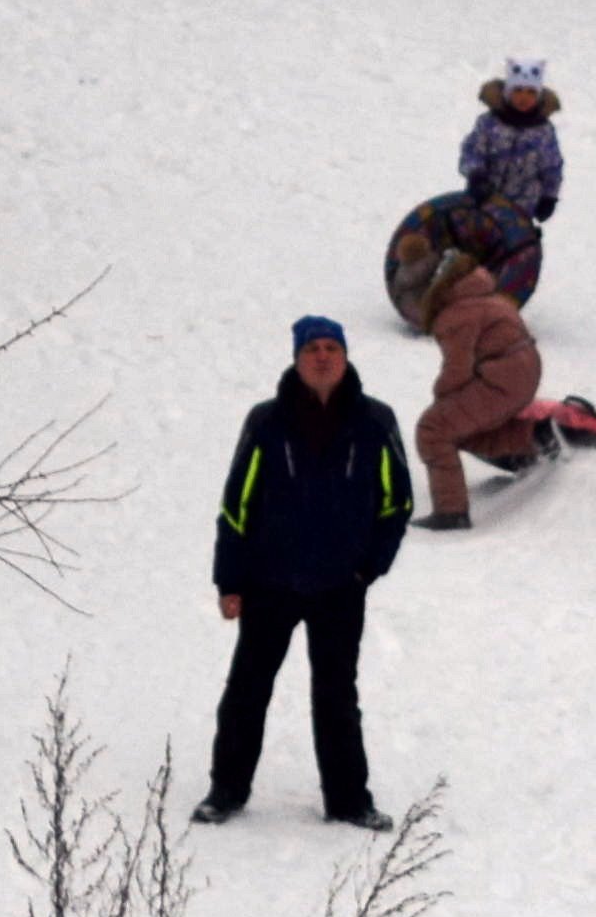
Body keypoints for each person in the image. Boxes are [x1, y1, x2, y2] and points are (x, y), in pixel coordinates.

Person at [204, 318, 413, 826]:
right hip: (269, 584)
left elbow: (397, 501)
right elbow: (237, 505)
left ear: (344, 356)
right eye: (313, 349)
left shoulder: (375, 421)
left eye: (331, 348)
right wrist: (230, 581)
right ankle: (225, 792)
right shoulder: (266, 422)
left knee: (337, 696)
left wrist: (369, 567)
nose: (322, 357)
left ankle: (348, 802)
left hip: (341, 587)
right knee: (247, 691)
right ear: (297, 359)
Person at [412, 247, 556, 529]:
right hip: (521, 373)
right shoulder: (486, 297)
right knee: (463, 430)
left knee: (434, 429)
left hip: (502, 378)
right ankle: (538, 438)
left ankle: (451, 512)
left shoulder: (456, 313)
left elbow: (458, 368)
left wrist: (441, 400)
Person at [458, 58, 565, 227]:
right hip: (484, 200)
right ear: (508, 92)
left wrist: (549, 196)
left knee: (512, 249)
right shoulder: (489, 123)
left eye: (531, 92)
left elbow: (552, 167)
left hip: (521, 209)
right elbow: (473, 151)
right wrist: (476, 175)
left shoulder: (544, 132)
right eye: (518, 90)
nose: (524, 97)